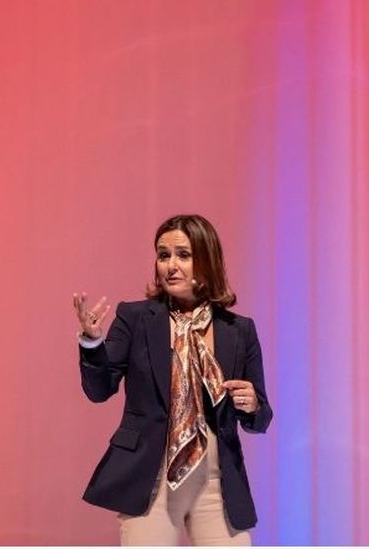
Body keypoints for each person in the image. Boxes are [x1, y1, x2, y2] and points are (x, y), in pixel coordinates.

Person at [72, 214, 272, 546]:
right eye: (163, 255)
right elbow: (99, 389)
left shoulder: (239, 330)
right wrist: (91, 343)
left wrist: (252, 403)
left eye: (183, 255)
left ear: (207, 260)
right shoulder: (135, 318)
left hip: (216, 483)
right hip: (151, 481)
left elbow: (260, 417)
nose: (170, 266)